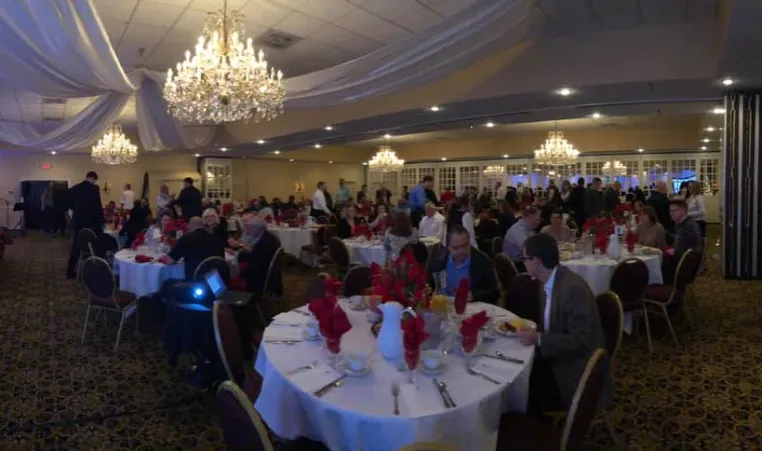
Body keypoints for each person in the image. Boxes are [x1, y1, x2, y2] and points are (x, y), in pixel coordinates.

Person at [518, 233, 611, 416]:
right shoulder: (548, 282)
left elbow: (581, 341)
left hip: (575, 370)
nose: (524, 263)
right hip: (558, 354)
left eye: (525, 259)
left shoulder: (572, 289)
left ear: (536, 261)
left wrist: (539, 338)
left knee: (524, 388)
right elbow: (551, 325)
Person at [426, 225, 497, 304]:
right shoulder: (438, 260)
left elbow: (494, 293)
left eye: (464, 246)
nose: (461, 251)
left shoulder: (483, 261)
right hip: (444, 306)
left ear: (469, 243)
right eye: (456, 248)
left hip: (471, 308)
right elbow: (428, 284)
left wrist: (475, 295)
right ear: (448, 247)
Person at [66, 171, 104, 279]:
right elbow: (97, 206)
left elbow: (68, 203)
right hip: (92, 223)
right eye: (94, 180)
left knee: (76, 247)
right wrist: (101, 220)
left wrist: (76, 209)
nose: (94, 182)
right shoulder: (94, 188)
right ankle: (99, 269)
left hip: (78, 222)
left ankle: (70, 271)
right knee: (98, 245)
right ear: (92, 178)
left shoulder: (75, 188)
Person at [164, 217, 225, 281]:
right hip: (216, 281)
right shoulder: (217, 238)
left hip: (195, 281)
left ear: (189, 226)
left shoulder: (186, 239)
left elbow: (169, 261)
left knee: (169, 284)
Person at [663, 200, 703, 283]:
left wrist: (675, 251)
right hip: (680, 260)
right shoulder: (679, 224)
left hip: (685, 266)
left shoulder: (690, 226)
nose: (671, 214)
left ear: (683, 211)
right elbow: (680, 239)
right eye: (670, 211)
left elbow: (695, 251)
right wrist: (664, 232)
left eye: (673, 211)